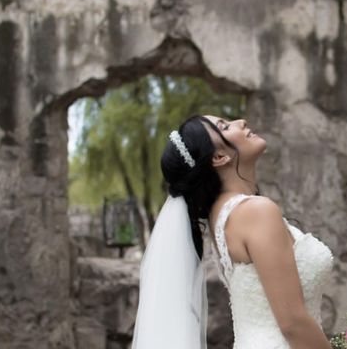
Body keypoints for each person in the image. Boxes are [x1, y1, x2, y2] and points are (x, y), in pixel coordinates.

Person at [131, 114, 334, 349]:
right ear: (218, 157)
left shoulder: (222, 215)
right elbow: (293, 324)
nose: (242, 122)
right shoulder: (256, 212)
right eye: (225, 127)